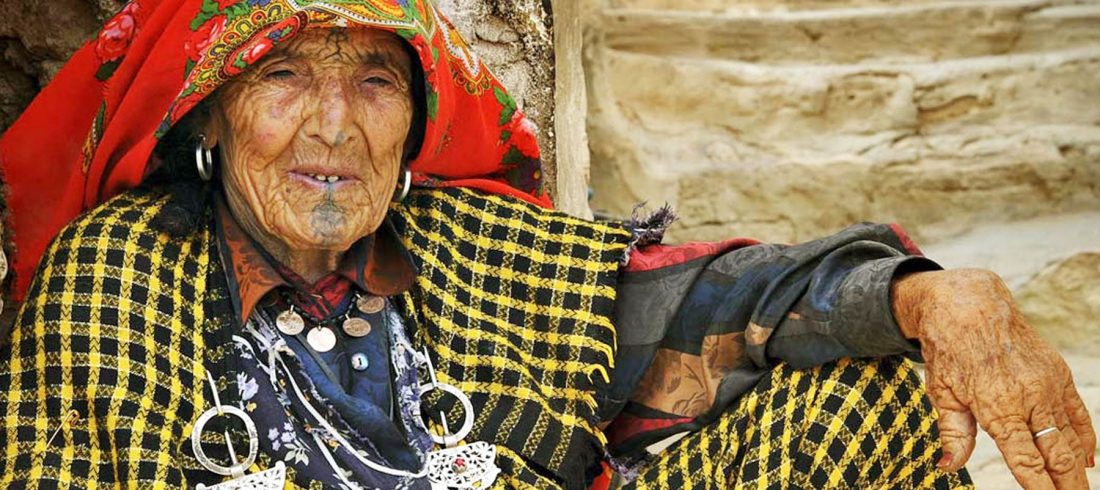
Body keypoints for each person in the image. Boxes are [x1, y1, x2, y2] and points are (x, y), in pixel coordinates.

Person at [0, 1, 1092, 488]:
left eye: (374, 78)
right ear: (210, 112)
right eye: (284, 75)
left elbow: (714, 305)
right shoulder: (119, 271)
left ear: (414, 120)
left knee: (886, 393)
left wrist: (931, 299)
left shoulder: (463, 243)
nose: (334, 125)